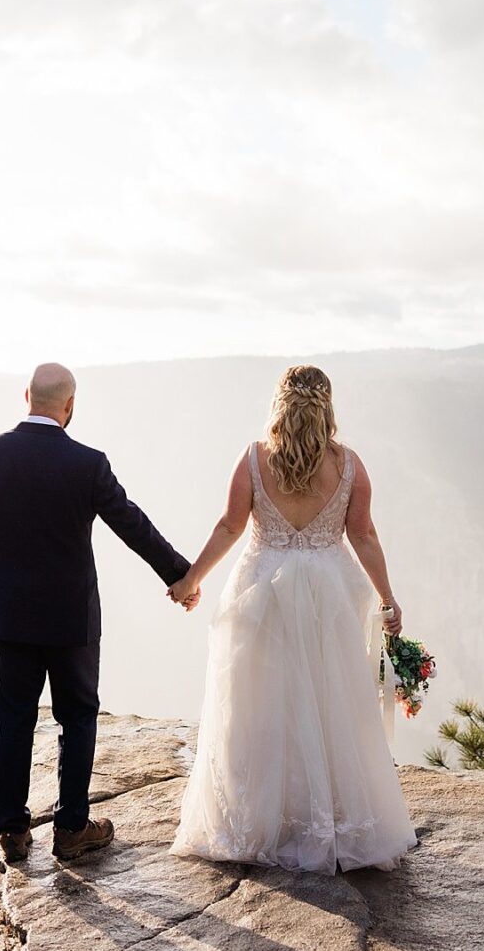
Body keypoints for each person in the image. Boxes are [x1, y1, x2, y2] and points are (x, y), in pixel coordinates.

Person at [167, 364, 420, 873]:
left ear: (279, 404)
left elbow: (229, 525)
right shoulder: (347, 465)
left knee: (262, 701)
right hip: (328, 591)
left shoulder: (256, 459)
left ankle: (263, 819)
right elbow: (364, 536)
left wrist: (191, 579)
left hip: (262, 590)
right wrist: (388, 598)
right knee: (330, 702)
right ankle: (328, 820)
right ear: (328, 406)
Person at [0, 362, 195, 864]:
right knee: (78, 717)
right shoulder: (88, 463)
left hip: (11, 617)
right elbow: (131, 524)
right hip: (72, 620)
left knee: (14, 718)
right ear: (69, 407)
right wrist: (178, 574)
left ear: (26, 397)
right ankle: (70, 829)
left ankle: (12, 832)